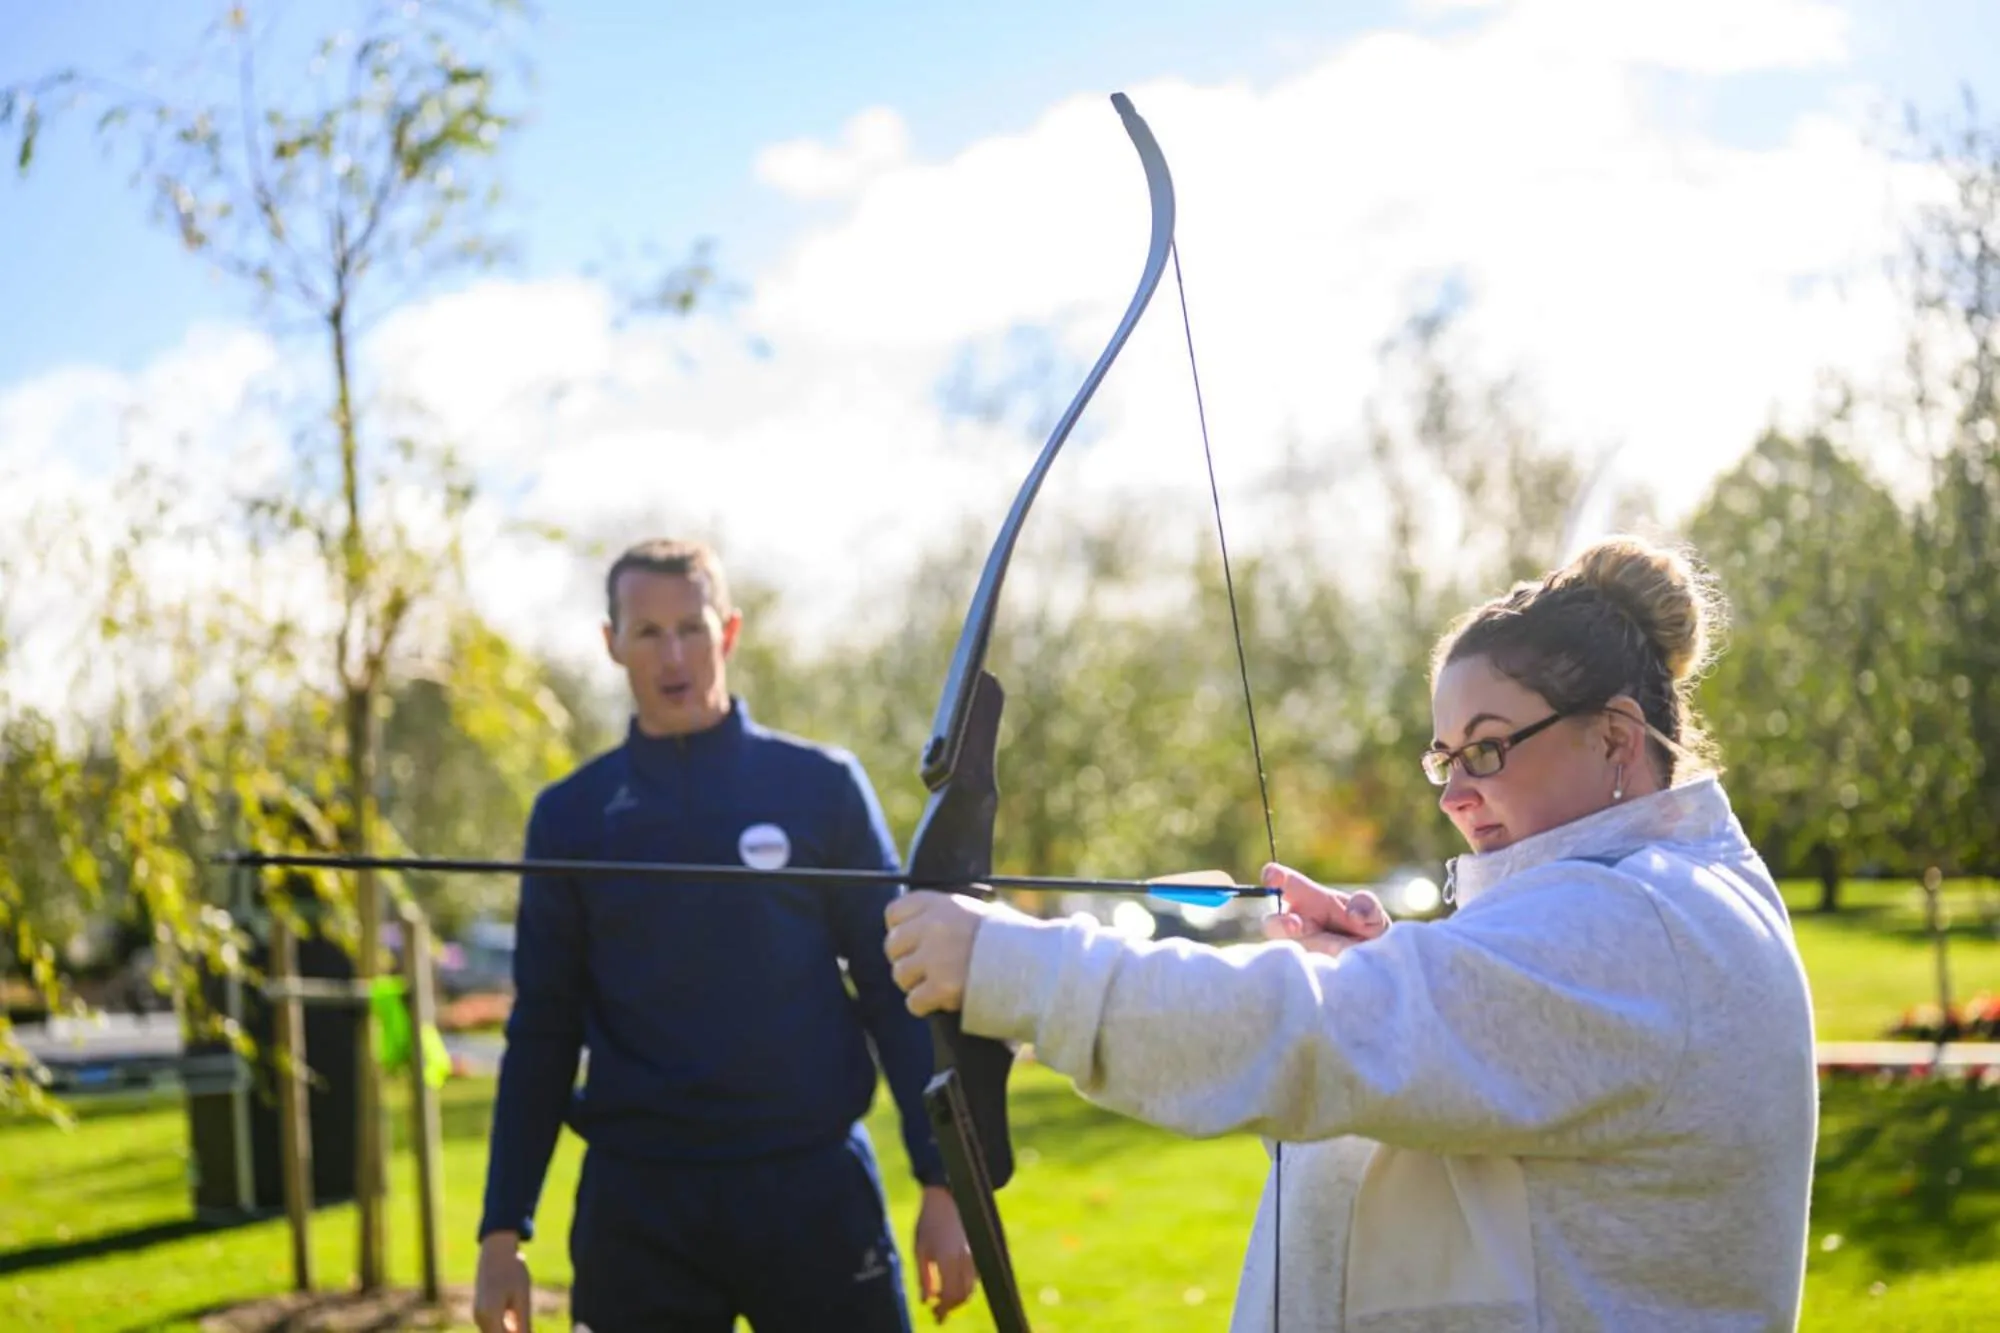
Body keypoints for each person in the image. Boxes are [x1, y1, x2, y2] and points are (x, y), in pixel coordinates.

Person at [884, 535, 1819, 1332]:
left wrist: (1007, 964)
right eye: (1444, 759)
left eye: (1488, 749)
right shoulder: (1662, 896)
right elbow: (1495, 1092)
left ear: (1616, 738)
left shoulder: (1634, 922)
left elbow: (1304, 1036)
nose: (1455, 793)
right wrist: (1385, 971)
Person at [473, 538, 974, 1333]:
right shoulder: (570, 815)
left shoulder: (822, 787)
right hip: (640, 1209)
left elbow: (895, 986)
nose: (674, 655)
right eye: (647, 632)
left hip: (814, 1190)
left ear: (730, 632)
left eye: (693, 628)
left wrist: (943, 1187)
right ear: (612, 644)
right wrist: (504, 1230)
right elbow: (542, 1029)